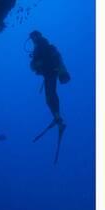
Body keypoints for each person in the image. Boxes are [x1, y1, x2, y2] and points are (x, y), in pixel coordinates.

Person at [27, 30, 70, 162]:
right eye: (33, 38)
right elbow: (37, 64)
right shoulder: (44, 46)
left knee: (50, 95)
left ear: (36, 37)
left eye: (34, 37)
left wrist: (37, 64)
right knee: (50, 97)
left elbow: (36, 65)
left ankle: (58, 119)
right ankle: (57, 118)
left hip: (50, 73)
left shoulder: (41, 46)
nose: (33, 40)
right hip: (50, 73)